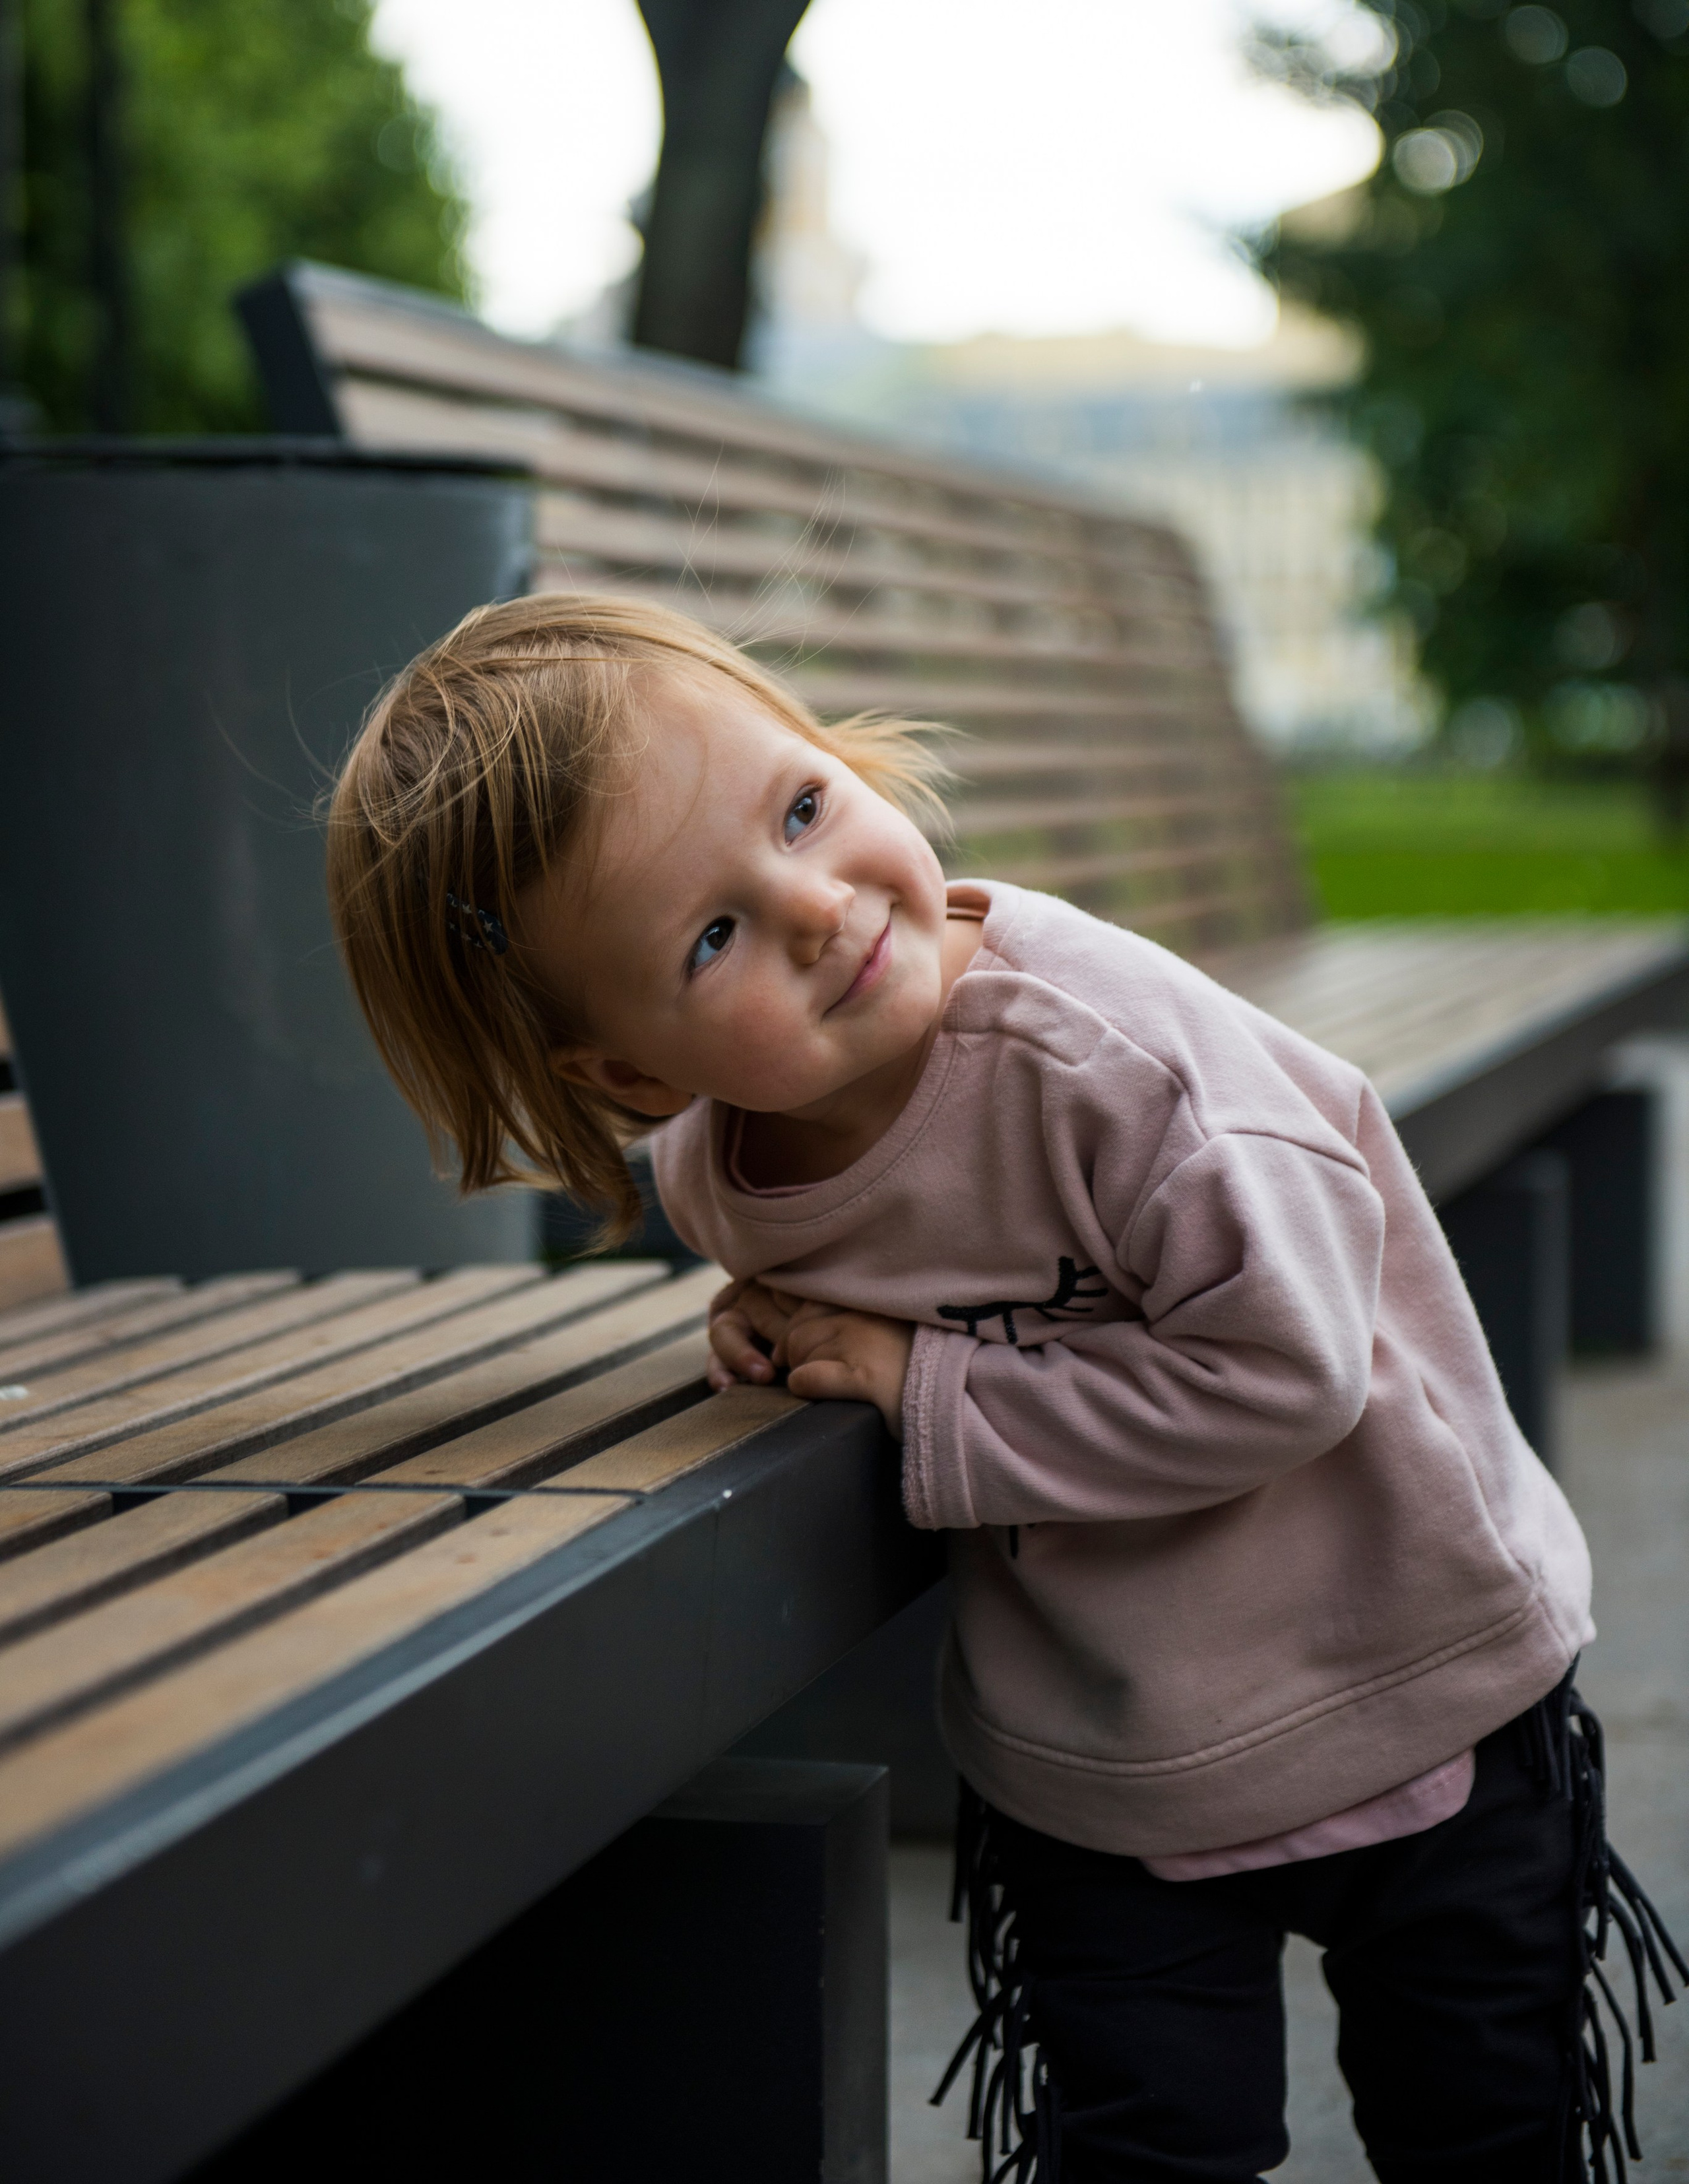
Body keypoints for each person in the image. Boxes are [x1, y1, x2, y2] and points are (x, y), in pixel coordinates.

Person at [327, 591, 1680, 2184]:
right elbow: (859, 1250)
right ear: (629, 1076)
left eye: (803, 810)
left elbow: (1288, 1367)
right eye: (710, 938)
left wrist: (925, 1381)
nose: (816, 908)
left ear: (838, 754)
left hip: (1403, 1668)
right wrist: (777, 1324)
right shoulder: (720, 1168)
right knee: (1139, 2141)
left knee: (1480, 2124)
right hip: (1101, 1756)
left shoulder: (1113, 1069)